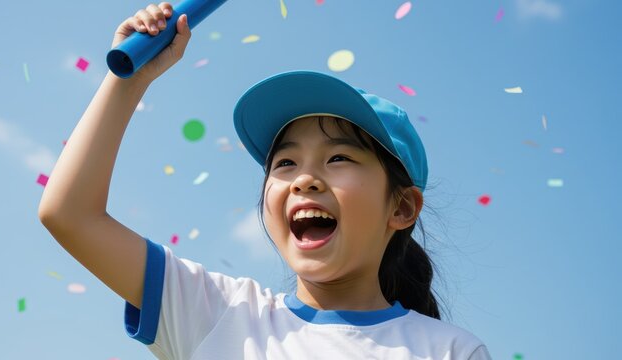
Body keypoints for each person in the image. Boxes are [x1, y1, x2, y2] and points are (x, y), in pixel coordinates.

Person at [39, 3, 492, 359]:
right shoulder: (218, 313)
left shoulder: (449, 350)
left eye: (337, 157)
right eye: (285, 164)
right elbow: (69, 214)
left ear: (402, 209)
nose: (304, 180)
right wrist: (128, 81)